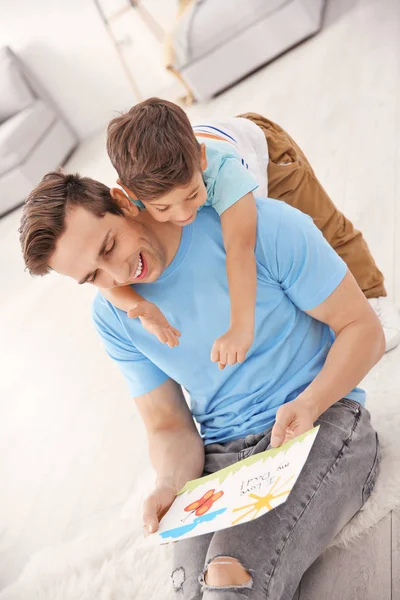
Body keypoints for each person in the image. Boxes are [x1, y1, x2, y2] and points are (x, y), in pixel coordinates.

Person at [20, 171, 383, 599]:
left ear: (122, 201)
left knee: (230, 577)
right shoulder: (114, 317)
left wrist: (311, 402)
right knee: (187, 589)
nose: (116, 275)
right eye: (91, 277)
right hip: (223, 459)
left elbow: (364, 330)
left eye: (109, 246)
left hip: (323, 421)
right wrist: (169, 483)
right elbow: (167, 424)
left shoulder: (258, 227)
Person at [103, 98, 400, 355]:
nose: (183, 214)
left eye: (192, 195)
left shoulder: (223, 172)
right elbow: (100, 274)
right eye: (163, 208)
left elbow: (240, 249)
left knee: (319, 224)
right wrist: (135, 306)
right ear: (130, 192)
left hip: (266, 154)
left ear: (202, 158)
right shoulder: (132, 197)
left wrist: (241, 327)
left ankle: (371, 294)